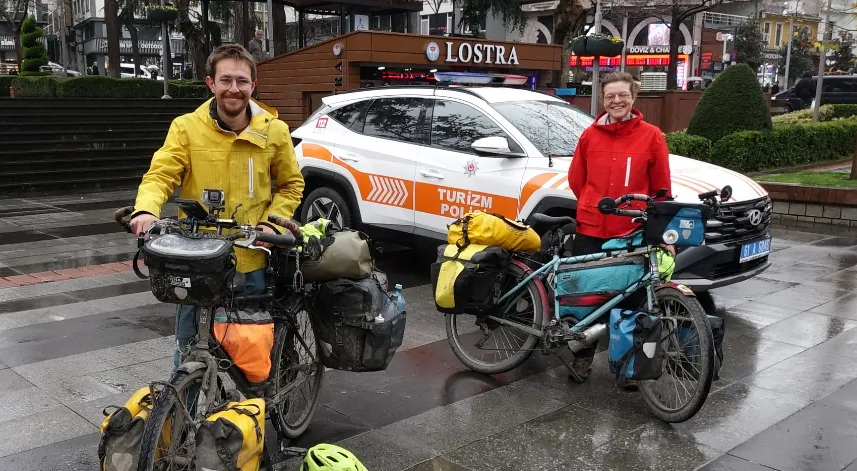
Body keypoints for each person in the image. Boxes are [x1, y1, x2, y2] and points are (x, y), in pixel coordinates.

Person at [129, 43, 305, 371]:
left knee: (249, 356)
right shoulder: (186, 128)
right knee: (188, 350)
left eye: (241, 81)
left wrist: (272, 224)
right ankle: (186, 417)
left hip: (250, 259)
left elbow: (291, 186)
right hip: (197, 263)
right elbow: (161, 175)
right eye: (225, 80)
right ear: (211, 83)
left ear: (254, 85)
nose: (233, 89)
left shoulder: (275, 131)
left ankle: (252, 411)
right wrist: (145, 210)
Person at [567, 71, 672, 388]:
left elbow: (661, 191)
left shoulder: (652, 137)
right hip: (591, 228)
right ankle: (582, 359)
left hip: (630, 233)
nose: (616, 101)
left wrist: (662, 235)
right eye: (610, 96)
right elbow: (577, 179)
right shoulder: (589, 135)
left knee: (628, 301)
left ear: (633, 97)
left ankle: (627, 364)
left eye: (622, 95)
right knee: (587, 299)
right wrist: (590, 202)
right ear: (603, 99)